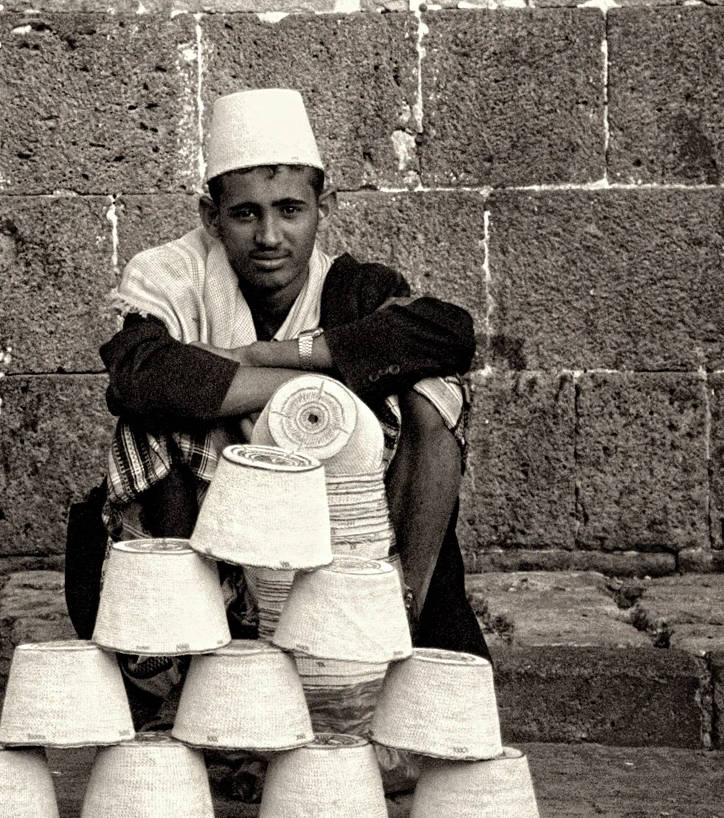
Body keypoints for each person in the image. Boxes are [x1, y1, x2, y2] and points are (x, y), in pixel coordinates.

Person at [64, 86, 489, 731]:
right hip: (207, 532)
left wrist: (272, 355)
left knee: (435, 395)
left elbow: (448, 333)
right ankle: (202, 654)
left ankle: (401, 606)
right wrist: (309, 397)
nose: (270, 236)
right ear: (211, 217)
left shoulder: (352, 287)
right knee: (156, 427)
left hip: (342, 540)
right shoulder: (167, 276)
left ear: (325, 207)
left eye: (290, 210)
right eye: (245, 215)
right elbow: (142, 377)